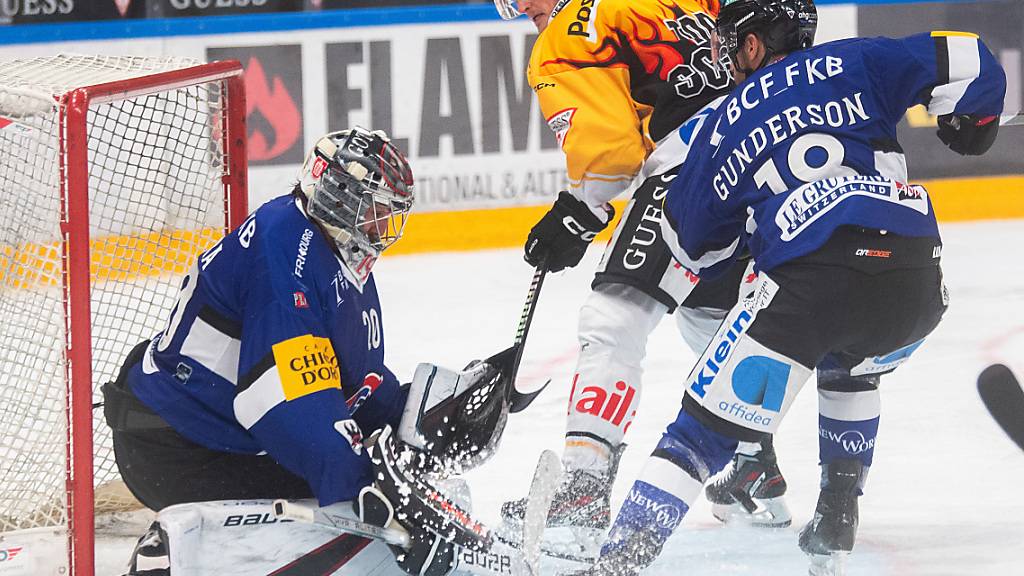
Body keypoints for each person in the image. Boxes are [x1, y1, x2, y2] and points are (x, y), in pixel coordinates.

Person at [575, 0, 1006, 573]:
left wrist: (748, 217)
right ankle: (837, 510)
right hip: (916, 278)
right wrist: (969, 124)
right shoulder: (860, 60)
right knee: (852, 358)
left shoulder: (723, 121)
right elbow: (970, 57)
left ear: (753, 45)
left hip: (810, 284)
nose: (722, 56)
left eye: (729, 42)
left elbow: (690, 246)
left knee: (696, 437)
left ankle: (616, 562)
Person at [103, 128, 519, 576]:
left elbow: (355, 385)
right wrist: (365, 487)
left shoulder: (337, 254)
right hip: (177, 450)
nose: (384, 227)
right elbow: (288, 398)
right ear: (341, 197)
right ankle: (170, 556)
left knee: (375, 484)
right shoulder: (285, 244)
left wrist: (424, 417)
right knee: (352, 515)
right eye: (377, 210)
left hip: (222, 438)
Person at [492, 0, 792, 548]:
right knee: (709, 315)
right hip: (774, 166)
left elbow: (611, 155)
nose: (519, 10)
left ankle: (582, 492)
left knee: (615, 318)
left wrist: (580, 211)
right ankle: (751, 464)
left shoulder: (567, 32)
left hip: (696, 166)